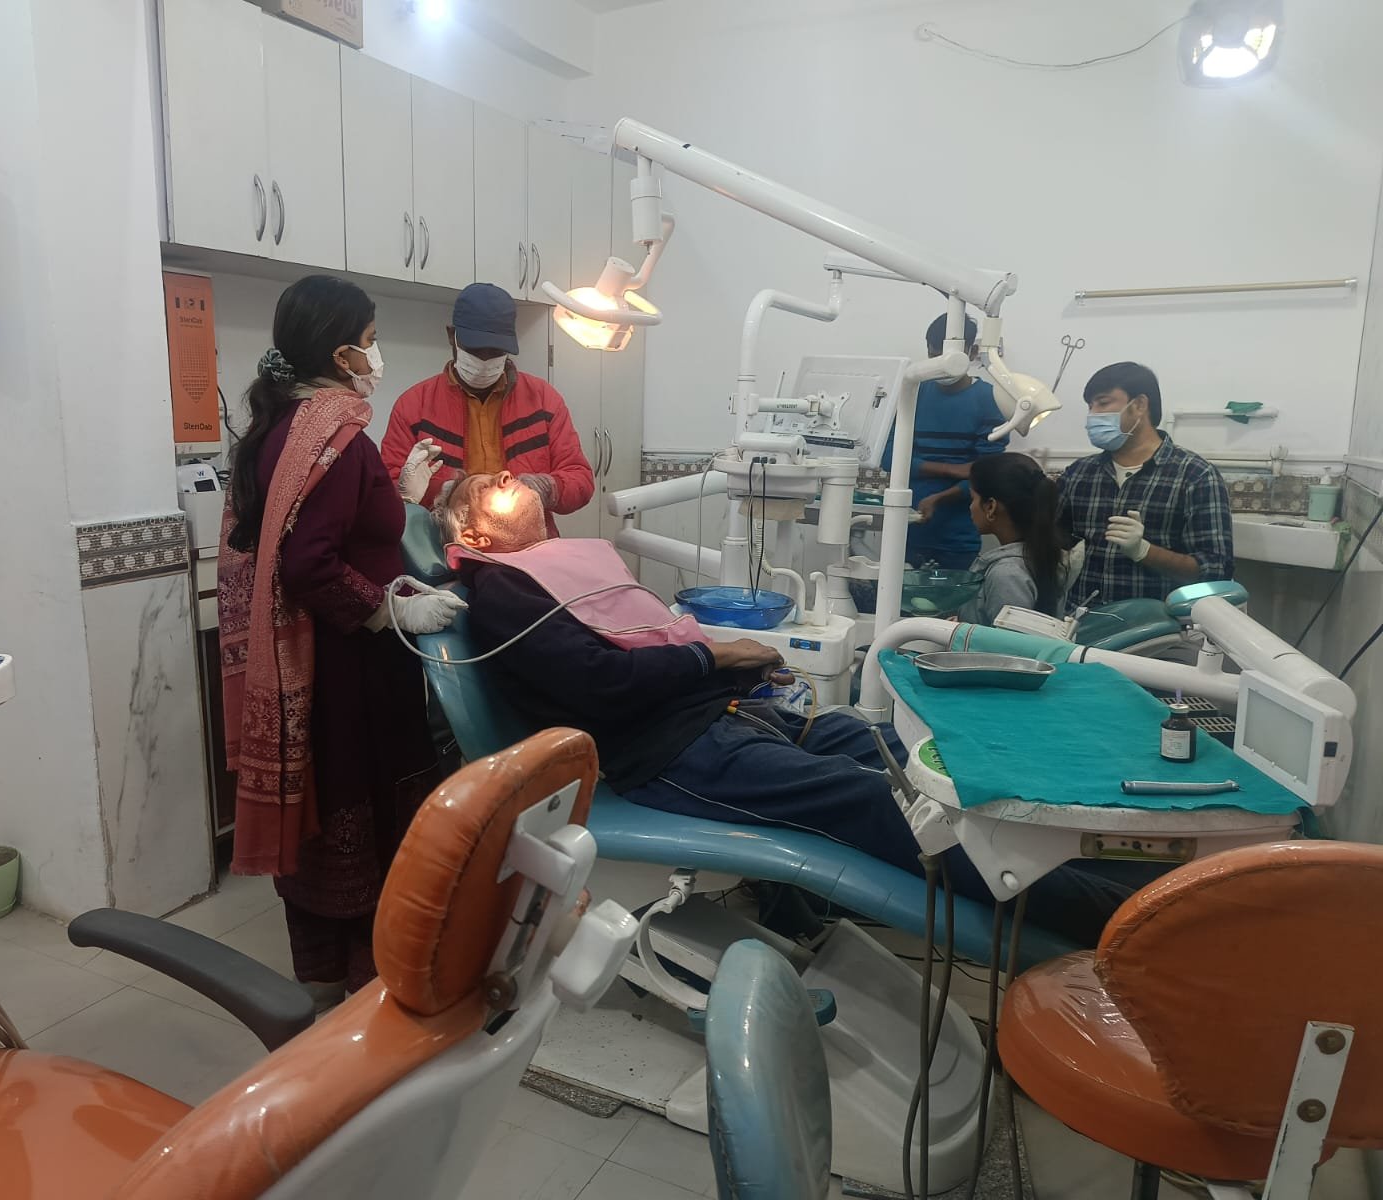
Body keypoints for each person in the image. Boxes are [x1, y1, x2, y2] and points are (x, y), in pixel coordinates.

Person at [437, 471, 1157, 947]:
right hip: (667, 753)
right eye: (484, 487)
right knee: (878, 801)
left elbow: (649, 640)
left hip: (727, 715)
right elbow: (596, 681)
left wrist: (727, 663)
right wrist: (717, 656)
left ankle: (1121, 862)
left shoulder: (570, 563)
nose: (505, 473)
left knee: (887, 746)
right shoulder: (502, 590)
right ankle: (1116, 922)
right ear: (471, 538)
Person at [218, 274, 465, 1009]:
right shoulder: (339, 437)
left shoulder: (278, 430)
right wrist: (389, 613)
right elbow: (308, 563)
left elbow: (331, 532)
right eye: (371, 337)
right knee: (366, 801)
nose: (376, 352)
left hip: (317, 659)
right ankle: (373, 981)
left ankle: (325, 970)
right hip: (352, 668)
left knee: (330, 802)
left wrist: (403, 502)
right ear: (341, 351)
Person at [381, 282, 594, 534]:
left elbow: (580, 479)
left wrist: (548, 488)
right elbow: (389, 488)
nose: (484, 361)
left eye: (495, 351)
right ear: (452, 336)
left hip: (530, 544)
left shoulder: (544, 400)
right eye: (475, 350)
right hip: (446, 545)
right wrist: (447, 493)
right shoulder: (414, 407)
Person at [1058, 362, 1233, 609]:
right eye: (1090, 406)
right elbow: (1050, 538)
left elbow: (1216, 571)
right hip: (1083, 622)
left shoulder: (1195, 475)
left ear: (1139, 405)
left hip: (1155, 631)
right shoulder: (1080, 473)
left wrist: (1145, 551)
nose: (1092, 415)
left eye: (1103, 403)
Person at [881, 313, 1007, 569]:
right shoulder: (912, 394)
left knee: (950, 608)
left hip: (958, 538)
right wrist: (951, 469)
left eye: (949, 357)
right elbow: (887, 457)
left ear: (971, 352)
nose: (941, 366)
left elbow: (987, 475)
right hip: (906, 533)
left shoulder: (990, 400)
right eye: (934, 355)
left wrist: (938, 497)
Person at [958, 452, 1066, 627]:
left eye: (973, 499)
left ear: (991, 507)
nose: (970, 507)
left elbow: (1007, 647)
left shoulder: (1006, 575)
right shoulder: (1040, 554)